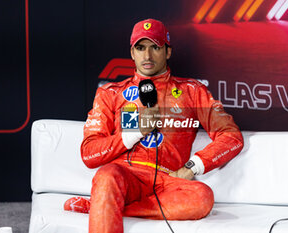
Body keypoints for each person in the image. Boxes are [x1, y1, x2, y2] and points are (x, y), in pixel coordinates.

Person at [64, 18, 244, 233]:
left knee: (202, 197)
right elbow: (89, 154)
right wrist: (134, 132)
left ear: (168, 52)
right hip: (125, 176)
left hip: (168, 179)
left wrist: (192, 167)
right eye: (140, 48)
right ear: (132, 53)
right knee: (106, 176)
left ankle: (102, 206)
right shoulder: (110, 93)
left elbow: (231, 136)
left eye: (155, 48)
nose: (147, 56)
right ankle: (107, 201)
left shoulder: (192, 91)